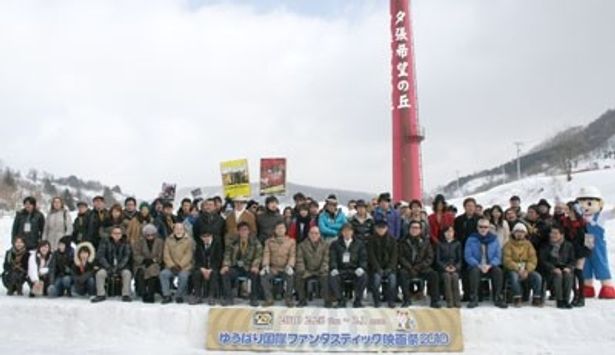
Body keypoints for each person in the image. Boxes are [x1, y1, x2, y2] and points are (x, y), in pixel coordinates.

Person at [464, 218, 507, 309]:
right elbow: (468, 256)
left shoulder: (494, 239)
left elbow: (498, 256)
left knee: (498, 271)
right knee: (474, 271)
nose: (483, 229)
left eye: (485, 227)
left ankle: (498, 297)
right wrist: (478, 265)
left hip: (490, 266)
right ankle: (474, 298)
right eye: (481, 227)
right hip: (476, 266)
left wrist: (490, 265)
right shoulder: (471, 239)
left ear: (488, 228)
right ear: (477, 228)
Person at [398, 220, 441, 308]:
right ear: (409, 229)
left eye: (417, 228)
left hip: (422, 268)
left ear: (420, 230)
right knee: (402, 274)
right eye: (412, 227)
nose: (414, 230)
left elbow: (430, 257)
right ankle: (406, 300)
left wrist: (418, 267)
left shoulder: (425, 241)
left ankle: (435, 301)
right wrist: (410, 267)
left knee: (434, 275)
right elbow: (400, 257)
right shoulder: (403, 241)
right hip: (408, 268)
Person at [221, 222, 263, 306]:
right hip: (236, 267)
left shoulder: (255, 242)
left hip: (249, 267)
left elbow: (258, 256)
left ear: (249, 231)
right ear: (238, 231)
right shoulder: (233, 243)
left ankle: (254, 298)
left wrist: (255, 266)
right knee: (225, 273)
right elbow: (227, 255)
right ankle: (228, 298)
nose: (243, 232)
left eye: (245, 230)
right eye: (241, 230)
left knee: (255, 274)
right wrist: (225, 265)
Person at [502, 223, 544, 307]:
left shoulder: (529, 245)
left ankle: (536, 298)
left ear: (525, 233)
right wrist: (518, 269)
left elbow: (533, 259)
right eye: (517, 231)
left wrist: (527, 270)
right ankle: (517, 297)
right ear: (513, 233)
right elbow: (507, 260)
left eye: (522, 232)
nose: (520, 234)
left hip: (526, 269)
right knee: (514, 276)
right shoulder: (508, 245)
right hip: (513, 269)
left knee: (537, 276)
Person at [329, 223, 368, 308]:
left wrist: (361, 267)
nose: (347, 233)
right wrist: (334, 267)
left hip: (354, 269)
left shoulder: (359, 244)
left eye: (349, 231)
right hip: (341, 269)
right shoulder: (335, 244)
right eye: (345, 231)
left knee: (363, 276)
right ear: (342, 232)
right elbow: (333, 258)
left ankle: (358, 300)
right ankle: (340, 300)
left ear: (352, 232)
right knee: (333, 277)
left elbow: (363, 258)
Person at [91, 226, 132, 303]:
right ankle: (101, 294)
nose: (117, 235)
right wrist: (108, 266)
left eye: (119, 233)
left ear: (121, 234)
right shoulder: (104, 242)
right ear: (111, 234)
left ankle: (126, 295)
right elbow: (101, 256)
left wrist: (119, 267)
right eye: (115, 233)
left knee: (127, 273)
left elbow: (127, 256)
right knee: (100, 274)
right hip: (107, 266)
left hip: (121, 267)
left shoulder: (126, 242)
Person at [561, 201, 590, 307]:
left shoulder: (583, 223)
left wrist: (587, 250)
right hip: (569, 251)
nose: (568, 212)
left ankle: (581, 296)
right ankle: (575, 295)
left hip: (581, 251)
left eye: (570, 210)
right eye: (567, 210)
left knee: (578, 272)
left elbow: (589, 237)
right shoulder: (565, 222)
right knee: (571, 274)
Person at [540, 224, 576, 309]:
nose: (552, 235)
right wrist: (553, 268)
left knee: (568, 275)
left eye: (555, 233)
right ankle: (559, 300)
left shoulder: (568, 245)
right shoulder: (545, 245)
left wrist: (569, 267)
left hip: (564, 268)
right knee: (558, 275)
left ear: (561, 235)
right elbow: (543, 260)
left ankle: (566, 300)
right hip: (549, 270)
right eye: (551, 233)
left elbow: (572, 260)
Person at [261, 221, 296, 307]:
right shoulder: (269, 241)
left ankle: (288, 298)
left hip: (285, 267)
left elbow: (292, 255)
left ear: (285, 230)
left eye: (282, 228)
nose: (280, 230)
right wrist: (265, 265)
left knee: (291, 276)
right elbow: (266, 254)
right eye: (278, 228)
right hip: (274, 268)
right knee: (264, 276)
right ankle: (269, 299)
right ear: (275, 230)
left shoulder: (291, 241)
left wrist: (290, 265)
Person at [295, 226, 330, 307]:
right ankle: (302, 300)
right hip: (307, 270)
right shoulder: (302, 245)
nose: (314, 235)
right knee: (298, 275)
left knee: (327, 276)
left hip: (320, 270)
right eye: (312, 233)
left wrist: (323, 269)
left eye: (316, 233)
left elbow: (326, 259)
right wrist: (302, 269)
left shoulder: (325, 245)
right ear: (308, 234)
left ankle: (327, 301)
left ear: (320, 235)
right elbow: (299, 260)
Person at [160, 223, 194, 304]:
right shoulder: (168, 240)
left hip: (184, 266)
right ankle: (167, 295)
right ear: (173, 230)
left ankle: (179, 295)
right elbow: (166, 254)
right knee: (163, 274)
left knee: (183, 276)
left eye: (180, 229)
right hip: (171, 266)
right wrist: (171, 266)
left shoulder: (189, 240)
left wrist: (180, 266)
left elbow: (189, 255)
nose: (178, 231)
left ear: (184, 230)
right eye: (176, 229)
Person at [367, 221, 398, 308]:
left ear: (387, 228)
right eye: (379, 228)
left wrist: (390, 268)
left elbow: (394, 256)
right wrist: (377, 268)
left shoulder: (392, 240)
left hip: (389, 267)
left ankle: (391, 300)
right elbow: (371, 256)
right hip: (376, 267)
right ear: (376, 229)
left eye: (383, 228)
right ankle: (377, 300)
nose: (381, 230)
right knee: (376, 281)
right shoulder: (371, 240)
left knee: (392, 281)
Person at [132, 223, 164, 303]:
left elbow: (160, 255)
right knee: (141, 271)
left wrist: (153, 260)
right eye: (148, 235)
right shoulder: (139, 242)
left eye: (152, 234)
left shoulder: (160, 242)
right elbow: (136, 254)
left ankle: (151, 293)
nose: (150, 236)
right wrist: (144, 260)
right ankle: (143, 293)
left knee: (153, 269)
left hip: (155, 263)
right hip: (141, 263)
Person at [190, 232, 223, 305]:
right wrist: (202, 269)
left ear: (211, 236)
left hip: (213, 268)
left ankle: (211, 296)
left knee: (214, 274)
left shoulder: (217, 245)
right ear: (201, 238)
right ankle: (197, 296)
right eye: (204, 237)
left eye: (208, 236)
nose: (206, 238)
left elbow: (219, 259)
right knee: (196, 273)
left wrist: (210, 269)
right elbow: (196, 259)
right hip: (202, 268)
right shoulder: (199, 246)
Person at [435, 225, 462, 308]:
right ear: (444, 233)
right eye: (447, 232)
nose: (449, 234)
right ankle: (449, 301)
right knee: (446, 277)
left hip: (454, 268)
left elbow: (460, 259)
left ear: (454, 233)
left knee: (455, 276)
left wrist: (456, 267)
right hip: (444, 269)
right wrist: (445, 267)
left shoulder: (457, 244)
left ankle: (457, 300)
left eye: (451, 231)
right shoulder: (440, 244)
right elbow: (438, 259)